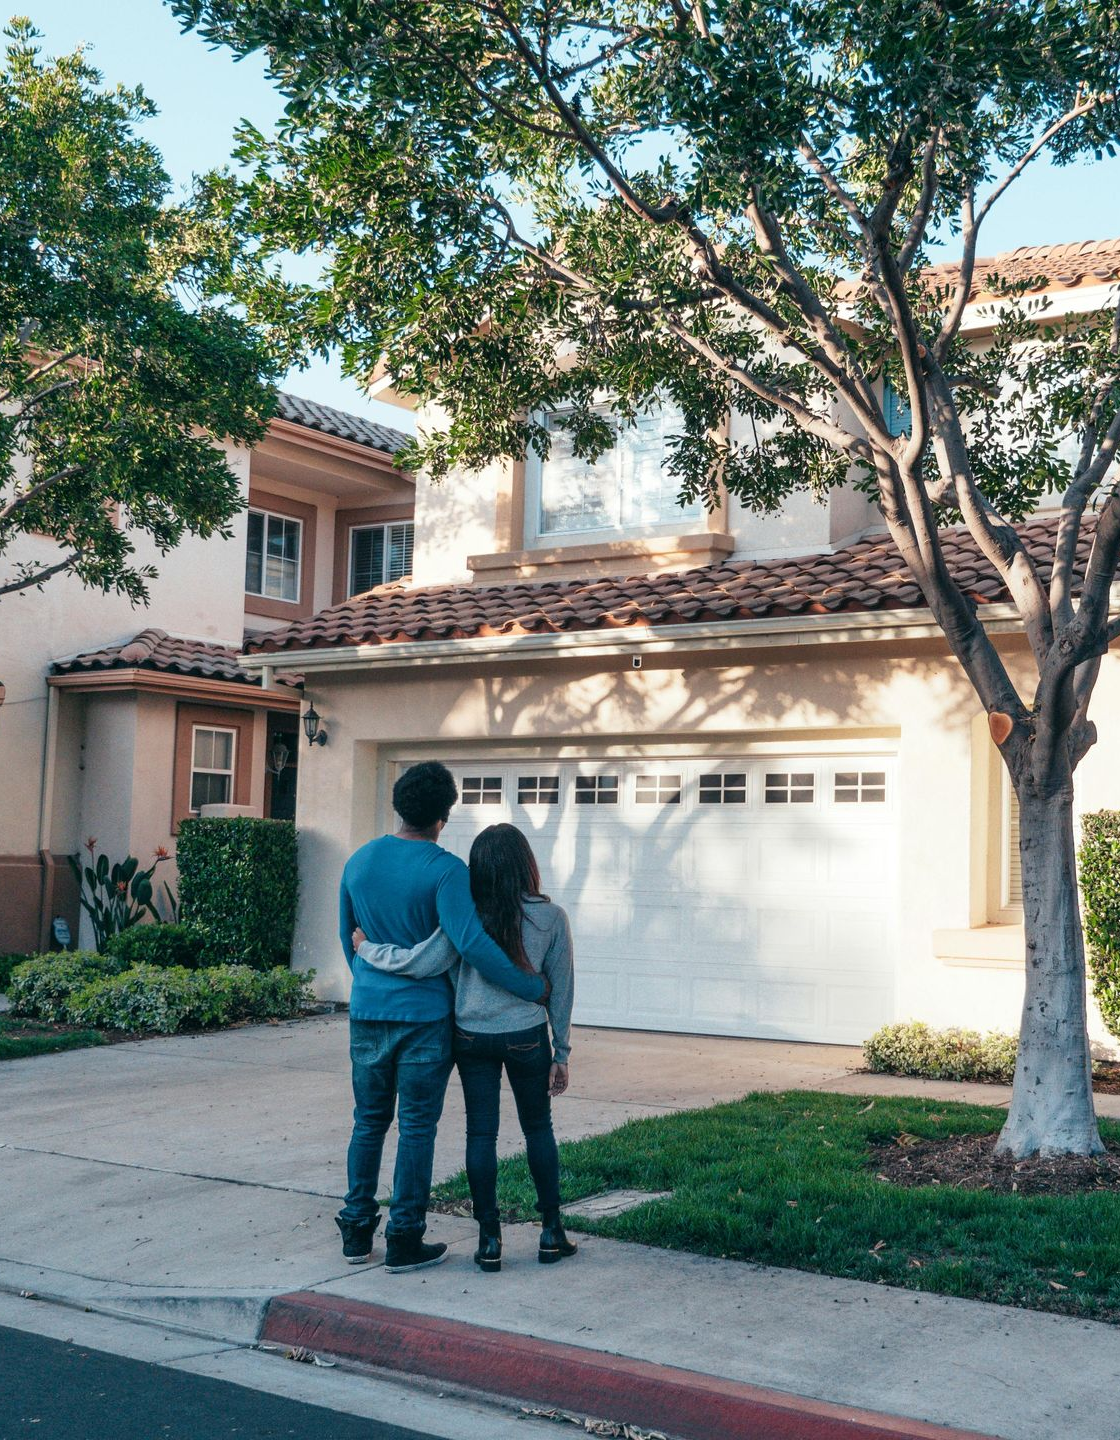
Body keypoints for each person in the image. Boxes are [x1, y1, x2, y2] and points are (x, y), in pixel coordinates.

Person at [336, 762, 549, 1275]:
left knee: (367, 1122)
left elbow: (350, 940)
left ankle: (356, 1231)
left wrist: (373, 986)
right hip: (426, 1019)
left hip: (368, 1012)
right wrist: (530, 987)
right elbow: (472, 944)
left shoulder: (359, 862)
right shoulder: (447, 870)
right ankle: (405, 1238)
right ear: (443, 815)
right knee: (415, 1128)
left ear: (399, 806)